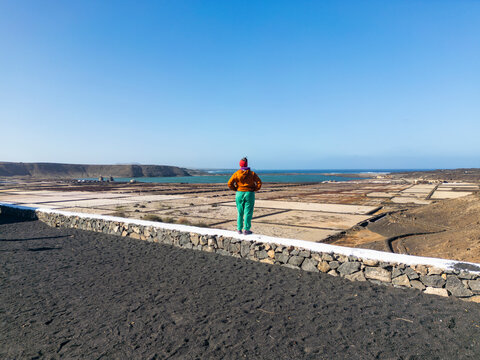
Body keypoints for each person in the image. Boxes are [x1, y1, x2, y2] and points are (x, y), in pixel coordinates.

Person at [227, 157, 262, 235]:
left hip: (239, 193)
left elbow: (229, 183)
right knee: (248, 212)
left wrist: (236, 188)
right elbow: (259, 183)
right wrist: (254, 189)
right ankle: (246, 229)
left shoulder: (236, 173)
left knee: (240, 212)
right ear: (247, 164)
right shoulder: (252, 174)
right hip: (249, 193)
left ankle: (239, 229)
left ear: (240, 165)